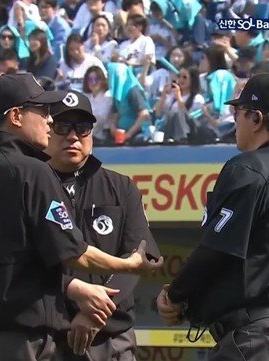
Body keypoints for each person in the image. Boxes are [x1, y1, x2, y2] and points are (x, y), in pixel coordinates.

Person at [0, 73, 162, 361]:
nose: (50, 123)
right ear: (15, 117)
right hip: (23, 333)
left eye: (83, 127)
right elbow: (74, 253)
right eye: (49, 116)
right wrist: (124, 265)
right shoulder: (33, 172)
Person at [156, 73, 269, 361]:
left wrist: (175, 296)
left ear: (257, 118)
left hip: (258, 338)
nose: (235, 120)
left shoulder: (248, 168)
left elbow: (217, 250)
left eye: (238, 112)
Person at [45, 90, 161, 359]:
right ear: (46, 130)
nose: (73, 136)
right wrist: (75, 294)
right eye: (62, 127)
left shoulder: (121, 186)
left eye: (82, 128)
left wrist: (95, 310)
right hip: (48, 337)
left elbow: (141, 257)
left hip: (110, 338)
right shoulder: (30, 187)